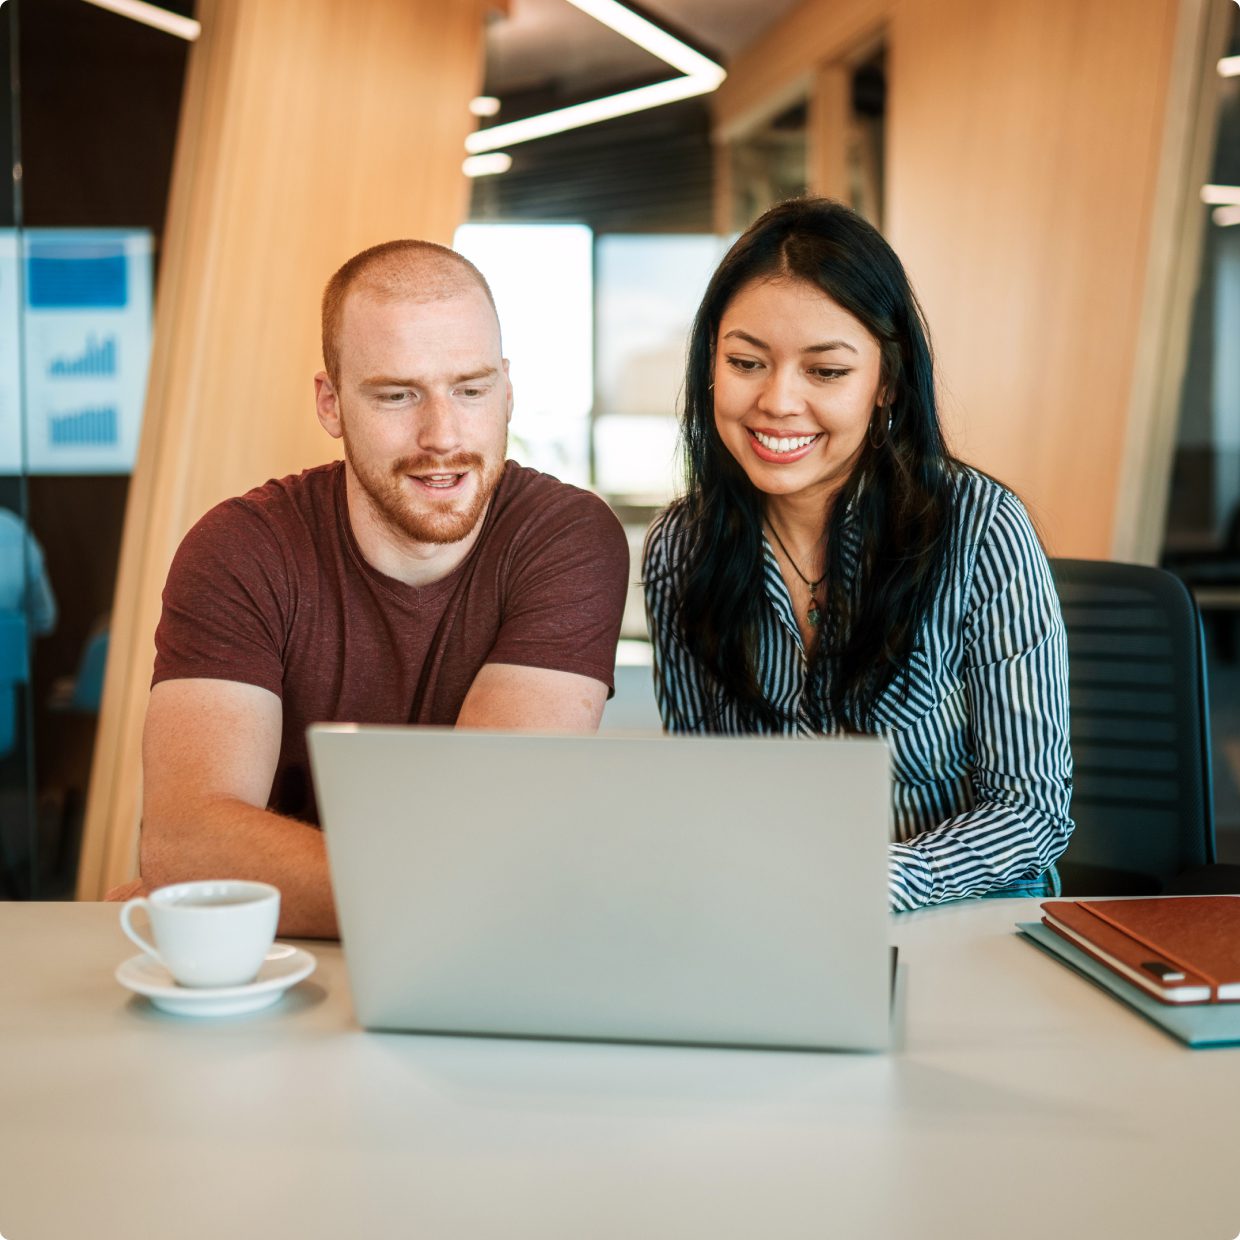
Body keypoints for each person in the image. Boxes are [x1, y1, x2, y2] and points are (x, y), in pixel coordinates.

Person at [137, 240, 630, 936]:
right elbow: (185, 842)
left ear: (508, 390)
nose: (442, 435)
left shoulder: (565, 538)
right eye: (398, 395)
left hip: (447, 959)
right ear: (331, 403)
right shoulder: (239, 549)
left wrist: (237, 876)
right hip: (270, 971)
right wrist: (199, 865)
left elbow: (492, 836)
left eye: (471, 389)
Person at [643, 198, 1072, 912]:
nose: (777, 401)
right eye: (747, 362)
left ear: (887, 386)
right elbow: (703, 791)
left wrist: (858, 887)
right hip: (772, 921)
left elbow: (1030, 814)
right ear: (710, 368)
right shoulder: (681, 550)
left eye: (827, 372)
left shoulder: (980, 527)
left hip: (965, 918)